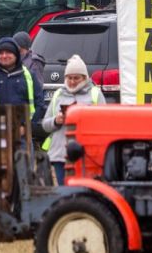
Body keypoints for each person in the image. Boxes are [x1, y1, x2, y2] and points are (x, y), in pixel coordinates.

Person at [41, 54, 105, 185]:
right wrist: (55, 121)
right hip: (60, 155)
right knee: (64, 192)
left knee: (81, 191)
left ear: (85, 78)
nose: (72, 81)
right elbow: (45, 124)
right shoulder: (59, 94)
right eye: (69, 78)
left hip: (86, 155)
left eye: (76, 78)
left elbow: (103, 123)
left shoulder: (95, 94)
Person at [0, 36, 43, 140]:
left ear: (16, 54)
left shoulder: (29, 75)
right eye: (0, 53)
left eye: (8, 52)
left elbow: (39, 103)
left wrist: (27, 126)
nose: (4, 56)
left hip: (22, 135)